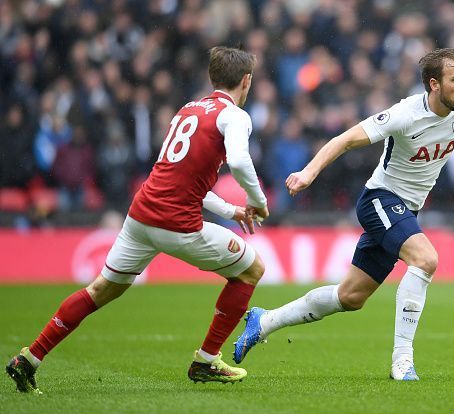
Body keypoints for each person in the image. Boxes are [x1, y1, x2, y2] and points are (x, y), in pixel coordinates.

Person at [233, 48, 454, 380]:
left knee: (351, 296)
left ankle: (265, 320)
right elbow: (345, 140)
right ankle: (402, 361)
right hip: (380, 199)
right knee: (426, 259)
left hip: (407, 210)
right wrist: (309, 173)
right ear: (434, 84)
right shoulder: (405, 114)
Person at [6, 46, 269, 393]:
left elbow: (180, 177)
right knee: (251, 270)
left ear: (213, 78)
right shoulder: (235, 116)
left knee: (99, 289)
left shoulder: (188, 110)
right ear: (246, 81)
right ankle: (206, 360)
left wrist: (232, 210)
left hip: (140, 216)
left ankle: (29, 358)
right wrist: (257, 200)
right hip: (177, 225)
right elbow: (238, 161)